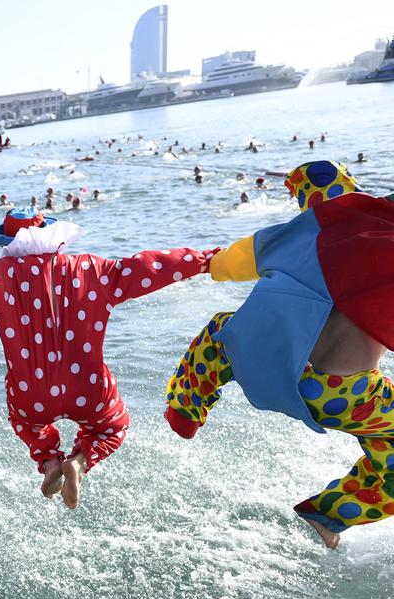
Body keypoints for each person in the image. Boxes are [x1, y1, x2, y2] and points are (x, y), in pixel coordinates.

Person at [0, 207, 218, 508]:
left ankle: (50, 461)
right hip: (88, 388)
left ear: (6, 242)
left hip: (33, 395)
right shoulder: (93, 269)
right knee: (112, 426)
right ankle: (79, 462)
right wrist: (204, 261)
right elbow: (149, 267)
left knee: (26, 422)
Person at [164, 160, 394, 549]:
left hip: (260, 365)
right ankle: (327, 516)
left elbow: (224, 265)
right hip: (343, 398)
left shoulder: (289, 236)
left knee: (221, 329)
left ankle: (186, 407)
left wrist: (207, 261)